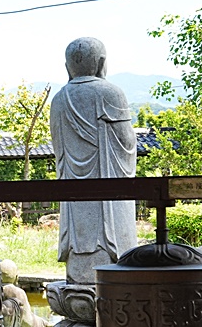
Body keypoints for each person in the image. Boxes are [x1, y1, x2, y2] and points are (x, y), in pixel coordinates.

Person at [50, 36, 137, 282]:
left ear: (68, 67)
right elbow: (127, 142)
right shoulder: (110, 93)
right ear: (101, 63)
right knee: (113, 285)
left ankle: (77, 276)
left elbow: (59, 150)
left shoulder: (59, 99)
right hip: (107, 195)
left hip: (75, 199)